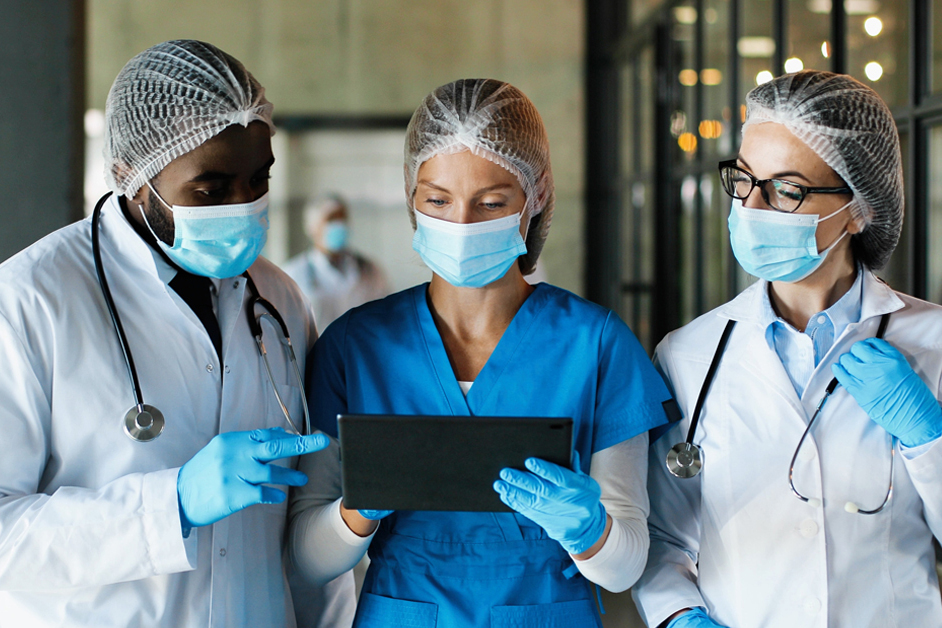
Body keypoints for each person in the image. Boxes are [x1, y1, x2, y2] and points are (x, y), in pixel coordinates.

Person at [288, 78, 674, 627]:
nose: (462, 224)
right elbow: (307, 558)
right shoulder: (355, 346)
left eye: (491, 202)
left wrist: (589, 529)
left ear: (535, 196)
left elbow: (625, 566)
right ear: (411, 197)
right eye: (438, 200)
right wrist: (357, 510)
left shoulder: (597, 343)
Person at [0, 40, 330, 626]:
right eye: (211, 190)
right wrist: (168, 505)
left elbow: (302, 532)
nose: (243, 205)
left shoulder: (277, 298)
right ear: (131, 174)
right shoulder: (29, 300)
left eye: (259, 180)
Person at [631, 70, 942, 627]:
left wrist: (930, 437)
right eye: (745, 179)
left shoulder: (933, 343)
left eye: (788, 189)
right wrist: (679, 617)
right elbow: (660, 537)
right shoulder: (688, 355)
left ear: (858, 208)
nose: (752, 206)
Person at [282, 195, 388, 330]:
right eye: (331, 219)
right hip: (318, 350)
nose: (339, 224)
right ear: (312, 227)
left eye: (342, 218)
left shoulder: (370, 270)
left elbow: (385, 315)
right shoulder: (293, 274)